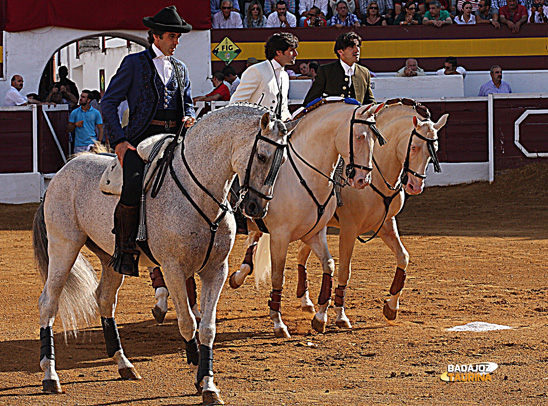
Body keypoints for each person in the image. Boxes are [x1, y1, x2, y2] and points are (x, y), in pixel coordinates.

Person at [101, 6, 196, 276]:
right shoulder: (134, 63)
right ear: (156, 37)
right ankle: (125, 249)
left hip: (174, 139)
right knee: (133, 181)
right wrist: (118, 140)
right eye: (171, 36)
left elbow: (187, 103)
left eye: (178, 37)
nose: (176, 42)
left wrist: (188, 116)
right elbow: (108, 102)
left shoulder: (181, 68)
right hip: (140, 140)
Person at [230, 32, 299, 121]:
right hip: (254, 130)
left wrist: (288, 119)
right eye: (291, 50)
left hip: (274, 131)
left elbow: (283, 108)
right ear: (278, 52)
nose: (296, 54)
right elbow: (236, 104)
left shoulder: (285, 76)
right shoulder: (256, 71)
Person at [303, 32, 375, 106]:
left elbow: (369, 101)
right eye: (351, 47)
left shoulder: (364, 72)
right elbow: (310, 101)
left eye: (358, 46)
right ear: (340, 51)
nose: (357, 50)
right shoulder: (326, 71)